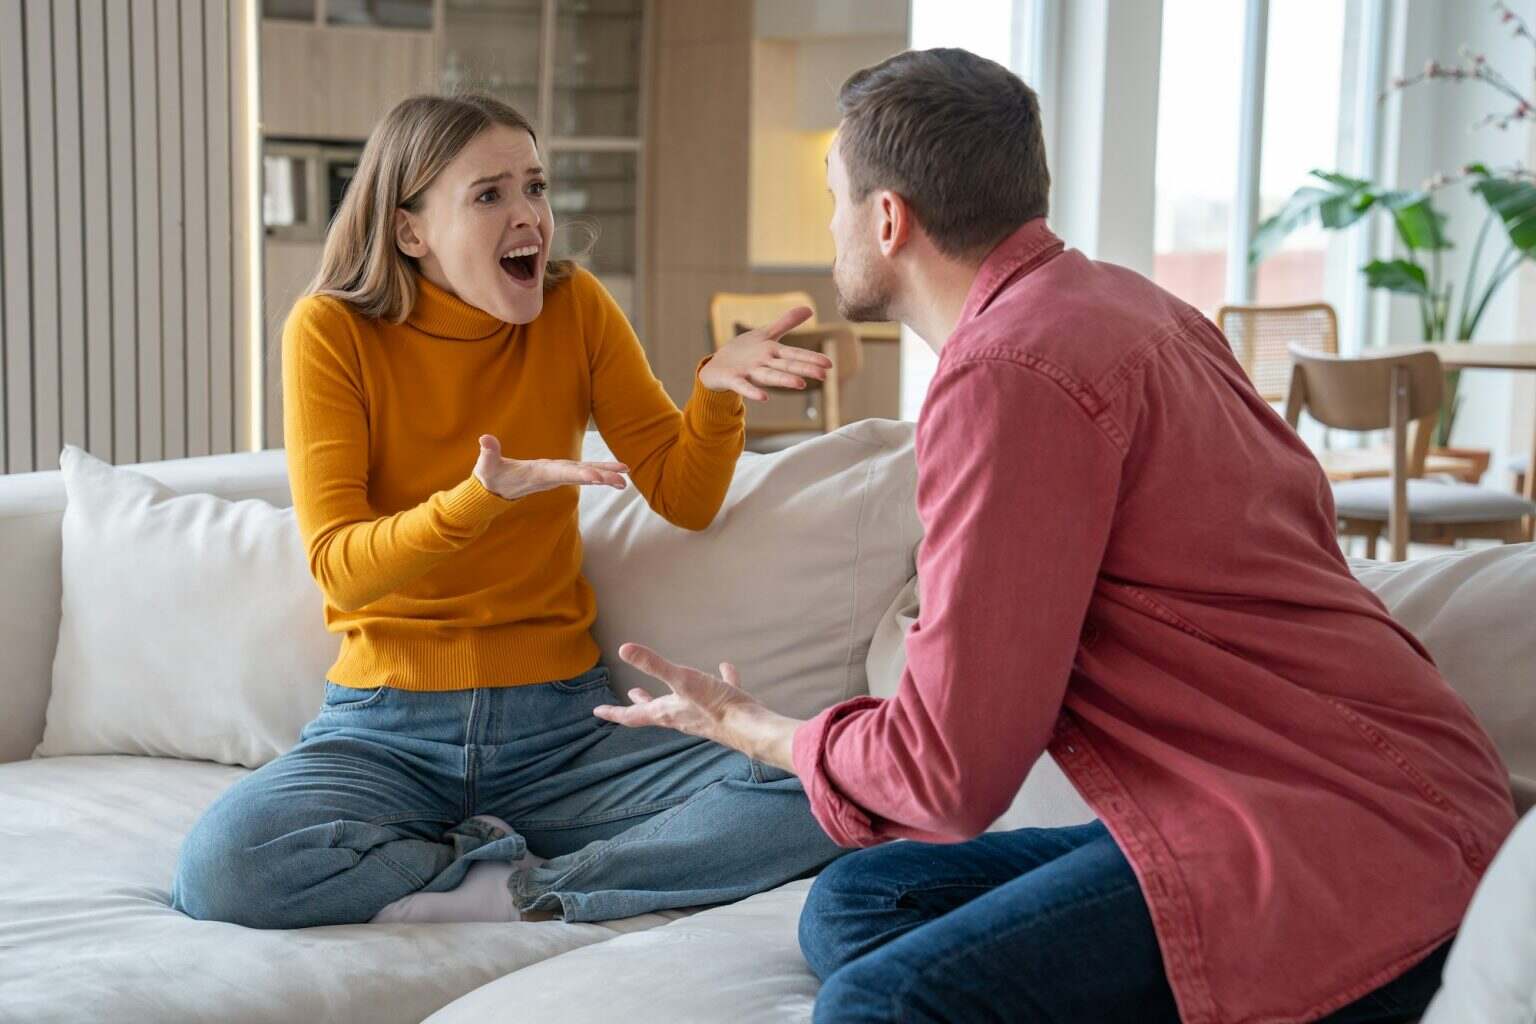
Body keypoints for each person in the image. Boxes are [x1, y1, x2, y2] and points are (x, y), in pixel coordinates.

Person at [596, 48, 1517, 1023]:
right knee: (862, 901)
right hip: (1366, 795)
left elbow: (948, 775)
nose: (831, 229)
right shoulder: (1133, 304)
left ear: (888, 217)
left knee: (877, 1002)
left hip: (1332, 845)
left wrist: (753, 727)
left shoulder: (1006, 376)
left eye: (835, 199)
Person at [171, 93, 845, 929]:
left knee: (828, 786)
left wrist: (711, 394)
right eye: (489, 194)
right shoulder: (331, 331)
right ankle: (474, 860)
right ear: (411, 230)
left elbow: (685, 493)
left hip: (561, 728)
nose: (528, 215)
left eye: (535, 187)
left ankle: (538, 883)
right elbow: (340, 563)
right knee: (224, 871)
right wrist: (480, 499)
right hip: (387, 730)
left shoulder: (574, 307)